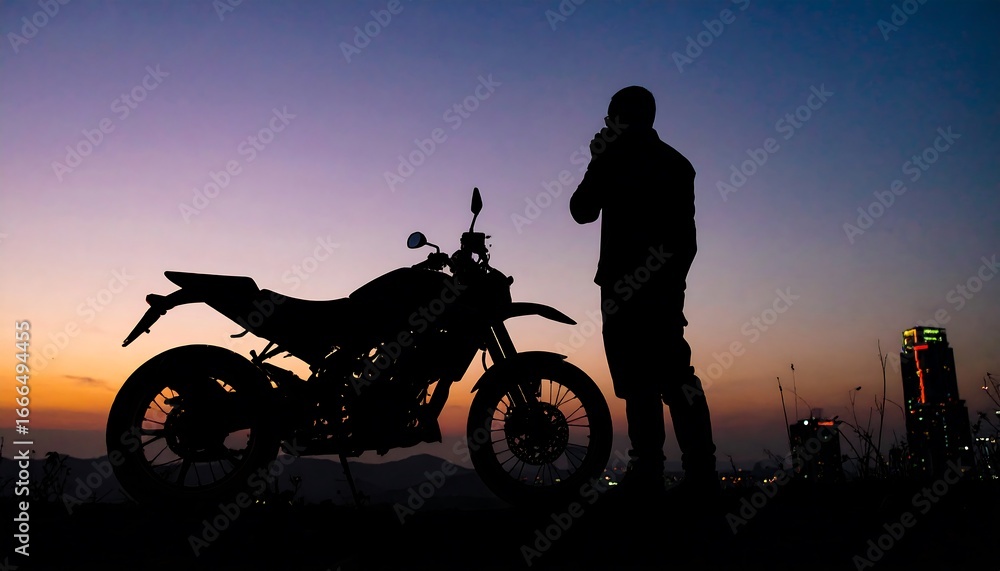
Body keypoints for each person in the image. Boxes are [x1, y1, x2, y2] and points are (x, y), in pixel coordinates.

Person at [569, 85, 718, 498]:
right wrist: (673, 283)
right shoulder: (675, 164)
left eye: (611, 116)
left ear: (623, 118)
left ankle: (656, 471)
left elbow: (581, 210)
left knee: (649, 381)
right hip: (654, 288)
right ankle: (691, 471)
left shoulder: (617, 162)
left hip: (630, 287)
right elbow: (686, 240)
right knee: (664, 379)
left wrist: (597, 161)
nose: (606, 124)